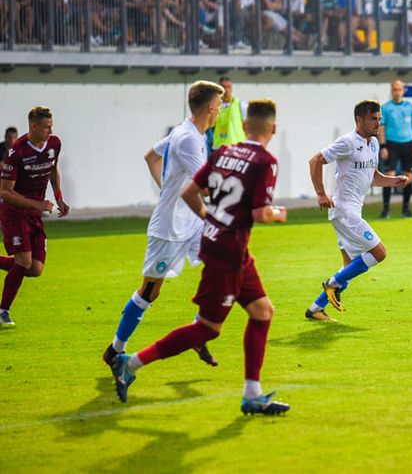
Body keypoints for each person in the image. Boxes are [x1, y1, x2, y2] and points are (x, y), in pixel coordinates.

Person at [113, 99, 291, 416]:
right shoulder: (266, 161)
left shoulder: (224, 152)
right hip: (229, 252)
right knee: (208, 328)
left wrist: (212, 220)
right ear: (273, 129)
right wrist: (278, 213)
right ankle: (131, 363)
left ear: (245, 126)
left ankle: (252, 394)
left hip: (226, 246)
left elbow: (189, 192)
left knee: (262, 312)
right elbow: (260, 214)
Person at [102, 81, 223, 369]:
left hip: (191, 221)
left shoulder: (186, 132)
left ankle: (198, 333)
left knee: (224, 266)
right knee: (149, 292)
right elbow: (206, 187)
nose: (220, 111)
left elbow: (150, 157)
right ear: (210, 107)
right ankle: (115, 351)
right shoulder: (188, 139)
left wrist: (168, 188)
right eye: (219, 105)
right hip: (169, 228)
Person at [305, 100, 410, 321]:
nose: (378, 124)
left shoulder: (374, 144)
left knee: (349, 267)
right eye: (373, 119)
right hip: (344, 210)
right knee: (379, 253)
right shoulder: (348, 142)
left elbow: (373, 177)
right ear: (359, 119)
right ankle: (332, 284)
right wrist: (321, 193)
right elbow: (315, 161)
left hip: (352, 211)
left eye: (379, 119)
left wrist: (394, 181)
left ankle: (315, 309)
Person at [0, 107, 69, 327]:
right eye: (47, 127)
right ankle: (3, 312)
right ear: (34, 126)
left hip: (33, 213)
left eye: (52, 126)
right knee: (24, 261)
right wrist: (38, 204)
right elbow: (5, 192)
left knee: (35, 268)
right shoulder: (17, 151)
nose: (51, 131)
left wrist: (59, 197)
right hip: (14, 211)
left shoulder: (54, 143)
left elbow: (53, 168)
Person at [379, 79, 412, 219]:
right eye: (395, 89)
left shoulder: (411, 107)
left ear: (403, 91)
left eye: (399, 89)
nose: (397, 92)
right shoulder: (386, 108)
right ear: (391, 91)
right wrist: (383, 146)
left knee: (408, 177)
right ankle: (386, 209)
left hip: (408, 144)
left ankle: (406, 209)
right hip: (391, 145)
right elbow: (381, 128)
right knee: (389, 176)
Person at [213, 77, 247, 149]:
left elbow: (247, 126)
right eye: (223, 87)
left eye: (229, 87)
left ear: (232, 88)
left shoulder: (240, 104)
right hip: (219, 147)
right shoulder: (214, 106)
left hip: (236, 146)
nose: (226, 90)